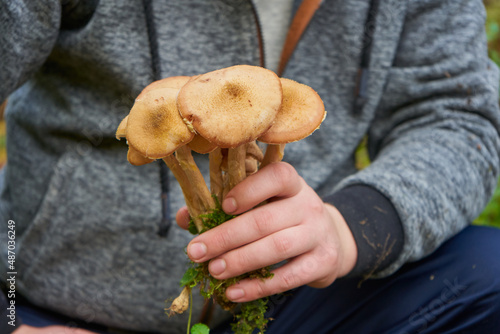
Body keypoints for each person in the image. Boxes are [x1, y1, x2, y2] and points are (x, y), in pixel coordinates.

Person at [1, 0, 500, 333]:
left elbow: (454, 115)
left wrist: (349, 227)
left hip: (300, 298)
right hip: (62, 306)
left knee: (489, 269)